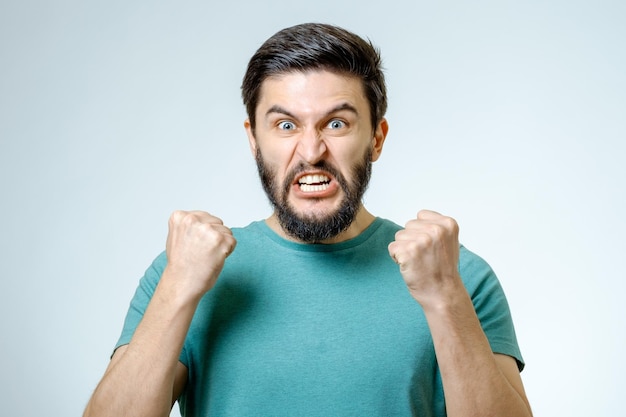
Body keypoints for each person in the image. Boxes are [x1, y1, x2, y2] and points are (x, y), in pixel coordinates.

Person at [83, 23, 532, 417]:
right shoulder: (180, 274)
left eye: (336, 124)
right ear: (254, 141)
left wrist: (445, 298)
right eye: (285, 126)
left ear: (376, 138)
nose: (312, 151)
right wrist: (178, 289)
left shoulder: (457, 276)